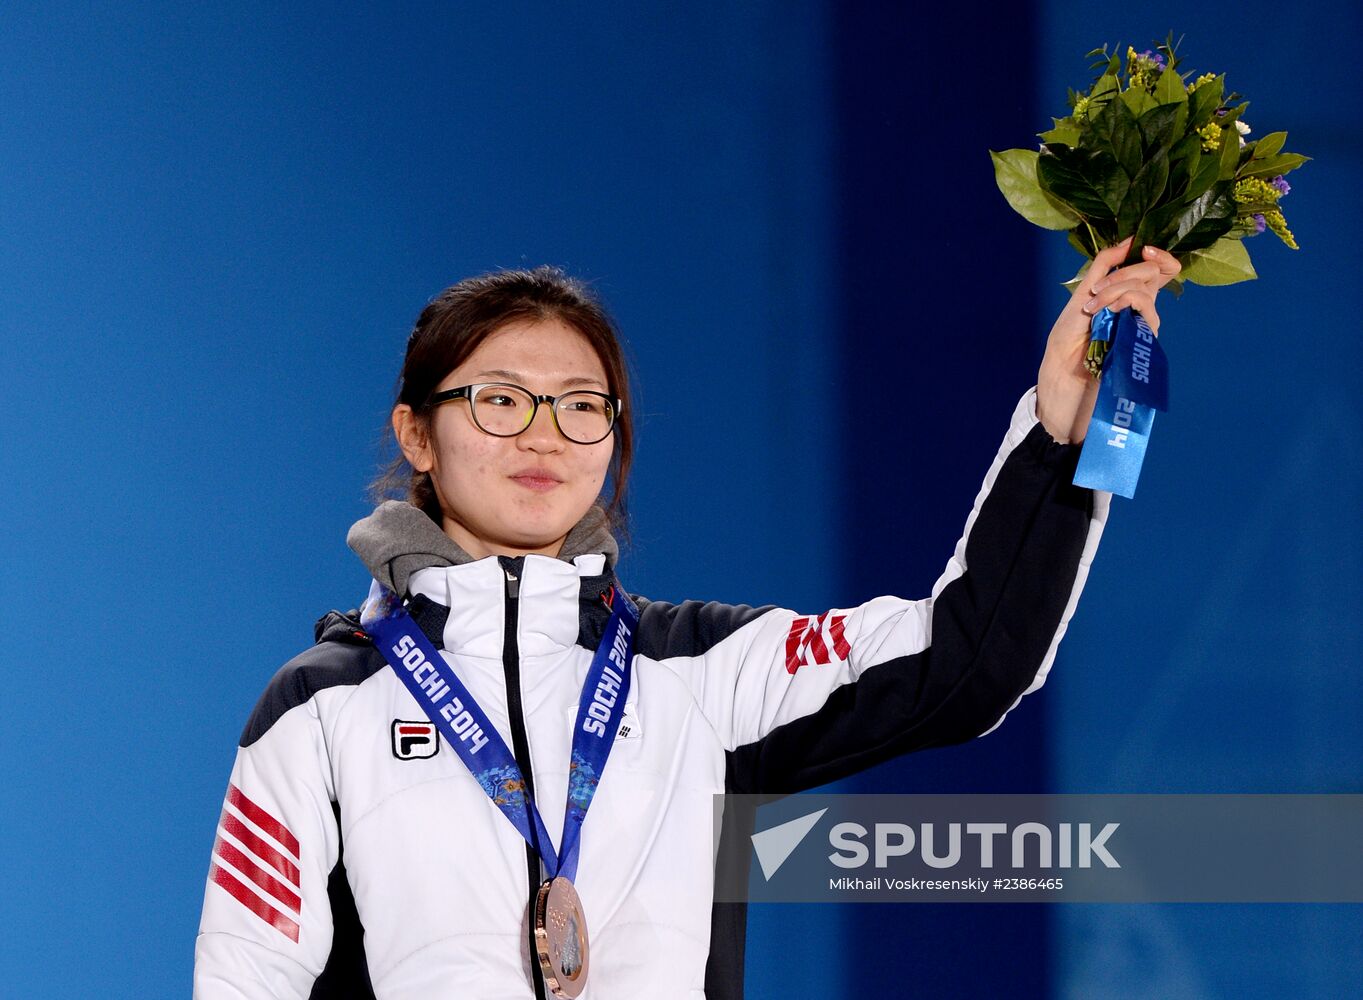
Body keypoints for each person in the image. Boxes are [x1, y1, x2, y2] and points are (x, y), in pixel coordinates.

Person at [193, 238, 1180, 999]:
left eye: (583, 406)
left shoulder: (700, 672)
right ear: (418, 431)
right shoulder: (321, 706)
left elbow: (965, 659)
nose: (544, 435)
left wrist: (1055, 434)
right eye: (501, 400)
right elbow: (246, 976)